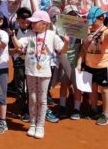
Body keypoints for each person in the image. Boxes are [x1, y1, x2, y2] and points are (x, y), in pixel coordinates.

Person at [12, 10, 69, 139]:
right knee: (32, 98)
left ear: (44, 24)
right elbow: (19, 46)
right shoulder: (30, 34)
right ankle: (32, 124)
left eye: (34, 22)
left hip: (44, 72)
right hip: (30, 71)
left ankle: (40, 125)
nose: (31, 24)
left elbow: (61, 51)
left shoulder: (52, 35)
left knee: (42, 99)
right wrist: (13, 36)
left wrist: (67, 42)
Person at [76, 7, 108, 126]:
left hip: (103, 66)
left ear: (101, 19)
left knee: (104, 89)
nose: (91, 24)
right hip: (89, 65)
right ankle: (94, 109)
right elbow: (83, 49)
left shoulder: (105, 30)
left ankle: (106, 114)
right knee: (92, 89)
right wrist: (79, 62)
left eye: (93, 21)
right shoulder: (88, 31)